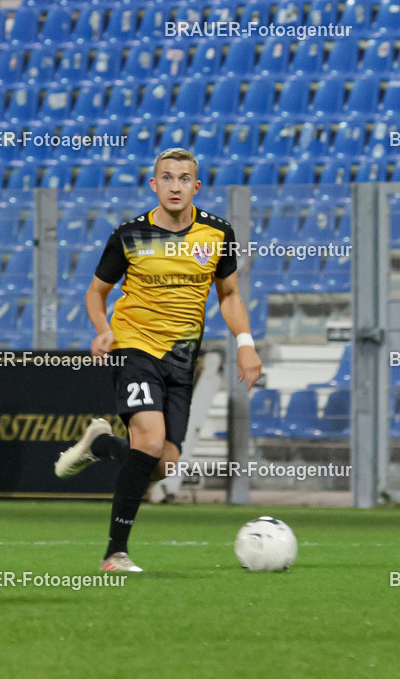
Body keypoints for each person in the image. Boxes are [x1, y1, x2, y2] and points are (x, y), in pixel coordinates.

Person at [55, 147, 262, 572]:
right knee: (148, 442)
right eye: (166, 177)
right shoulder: (129, 235)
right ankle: (115, 554)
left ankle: (101, 445)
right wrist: (102, 328)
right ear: (154, 184)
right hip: (135, 347)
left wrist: (245, 342)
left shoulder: (218, 234)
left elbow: (229, 295)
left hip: (182, 360)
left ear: (196, 186)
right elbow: (96, 293)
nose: (174, 186)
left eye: (184, 178)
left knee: (162, 463)